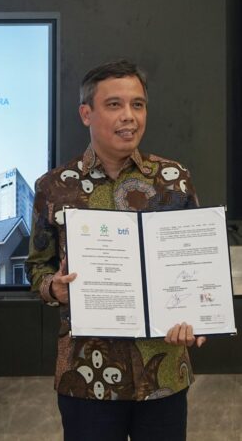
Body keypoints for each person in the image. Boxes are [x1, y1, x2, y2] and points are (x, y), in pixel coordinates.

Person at [26, 59, 204, 441]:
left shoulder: (174, 180)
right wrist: (53, 287)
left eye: (137, 104)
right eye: (114, 105)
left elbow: (195, 264)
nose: (129, 116)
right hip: (85, 378)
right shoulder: (54, 187)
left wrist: (200, 318)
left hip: (163, 374)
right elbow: (37, 267)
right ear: (86, 114)